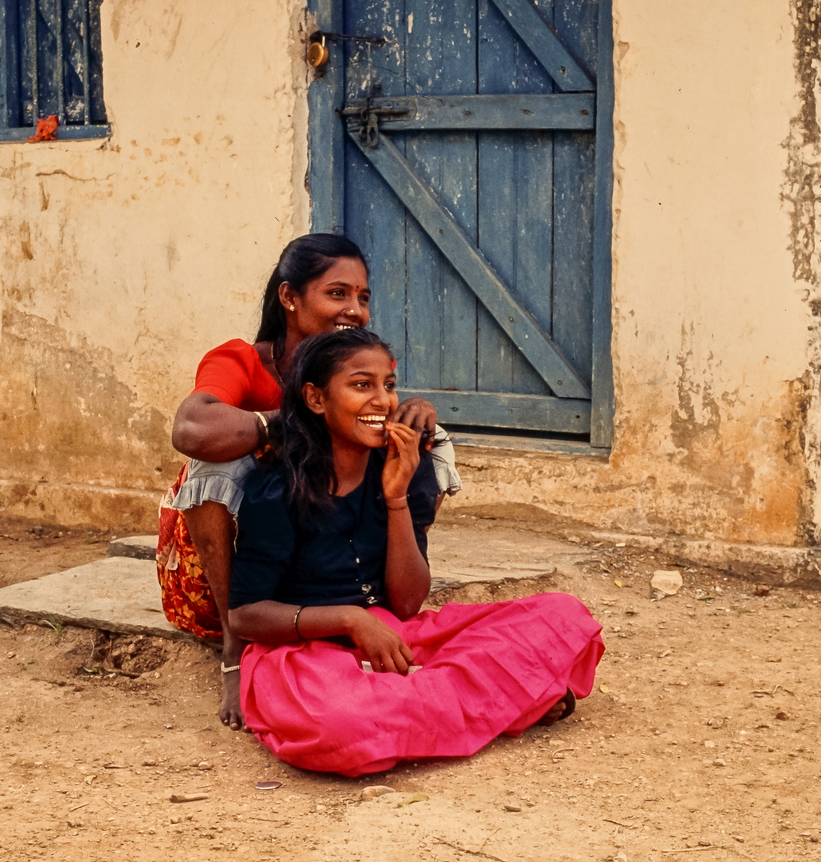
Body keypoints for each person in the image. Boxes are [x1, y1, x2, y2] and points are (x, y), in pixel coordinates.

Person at [228, 328, 604, 777]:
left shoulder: (401, 466)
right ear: (315, 399)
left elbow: (407, 603)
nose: (383, 401)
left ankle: (436, 706)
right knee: (339, 723)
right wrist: (349, 619)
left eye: (388, 386)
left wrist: (397, 497)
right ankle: (505, 702)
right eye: (361, 385)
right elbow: (245, 615)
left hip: (396, 637)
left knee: (563, 616)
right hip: (306, 656)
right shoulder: (276, 490)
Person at [158, 235, 457, 728]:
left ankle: (378, 586)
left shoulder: (351, 355)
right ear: (289, 297)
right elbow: (191, 430)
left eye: (362, 297)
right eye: (337, 293)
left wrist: (412, 409)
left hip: (319, 549)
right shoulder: (243, 361)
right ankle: (237, 644)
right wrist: (292, 420)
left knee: (427, 437)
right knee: (213, 464)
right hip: (232, 576)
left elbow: (370, 409)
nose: (354, 310)